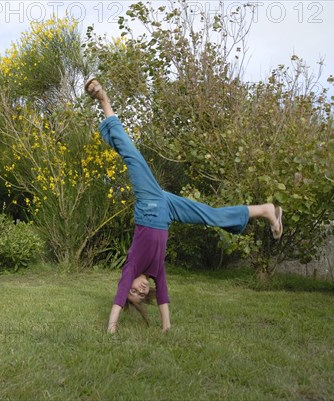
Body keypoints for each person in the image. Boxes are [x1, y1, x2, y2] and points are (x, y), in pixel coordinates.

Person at [84, 78, 283, 334]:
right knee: (209, 216)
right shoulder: (155, 270)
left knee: (129, 153)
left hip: (149, 205)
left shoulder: (131, 266)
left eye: (133, 290)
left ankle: (103, 99)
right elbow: (163, 297)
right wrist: (166, 327)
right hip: (166, 209)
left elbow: (119, 297)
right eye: (141, 295)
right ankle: (265, 210)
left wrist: (112, 327)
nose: (139, 289)